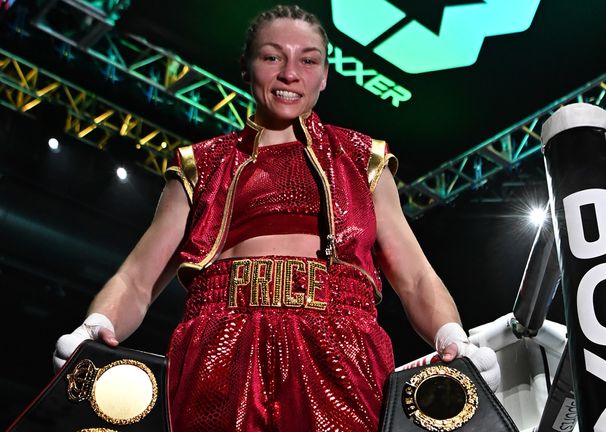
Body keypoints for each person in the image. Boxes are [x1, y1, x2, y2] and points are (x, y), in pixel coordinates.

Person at [53, 5, 499, 431]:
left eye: (308, 61)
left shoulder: (365, 160)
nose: (290, 74)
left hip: (341, 350)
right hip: (219, 350)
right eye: (272, 57)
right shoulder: (201, 164)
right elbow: (136, 279)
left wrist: (452, 336)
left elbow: (415, 276)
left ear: (325, 75)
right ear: (246, 67)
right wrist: (96, 326)